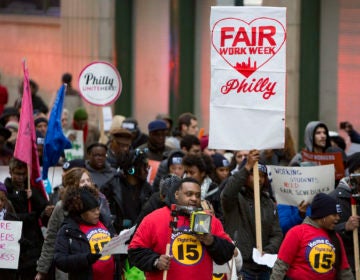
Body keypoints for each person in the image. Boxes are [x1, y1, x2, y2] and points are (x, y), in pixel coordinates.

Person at [128, 177, 235, 280]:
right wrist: (155, 261)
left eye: (198, 195)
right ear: (177, 195)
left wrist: (211, 241)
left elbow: (228, 253)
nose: (194, 199)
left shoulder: (209, 220)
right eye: (189, 194)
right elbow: (134, 252)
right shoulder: (153, 219)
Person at [35, 167, 114, 280]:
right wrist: (42, 270)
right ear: (72, 185)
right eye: (82, 181)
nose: (87, 184)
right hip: (72, 268)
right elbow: (51, 239)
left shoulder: (100, 201)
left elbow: (108, 228)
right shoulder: (61, 207)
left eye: (88, 180)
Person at [221, 149, 283, 279]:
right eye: (253, 174)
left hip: (263, 269)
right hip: (241, 267)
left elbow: (276, 234)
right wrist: (247, 166)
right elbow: (227, 193)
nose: (258, 179)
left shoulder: (269, 203)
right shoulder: (235, 199)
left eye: (261, 175)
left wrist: (269, 251)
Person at [271, 193, 353, 279]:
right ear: (323, 215)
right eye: (334, 215)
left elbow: (344, 269)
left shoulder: (336, 237)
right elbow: (281, 265)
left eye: (338, 215)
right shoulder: (297, 232)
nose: (338, 218)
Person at [4, 157, 51, 280]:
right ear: (10, 172)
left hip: (33, 243)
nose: (20, 178)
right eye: (17, 174)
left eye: (24, 174)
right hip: (11, 243)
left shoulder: (33, 191)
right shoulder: (4, 192)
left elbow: (45, 213)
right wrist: (28, 217)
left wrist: (34, 197)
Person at [54, 186, 115, 280]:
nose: (97, 212)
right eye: (92, 211)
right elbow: (60, 261)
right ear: (81, 212)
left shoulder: (104, 222)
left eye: (98, 208)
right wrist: (86, 259)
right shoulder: (68, 230)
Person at [101, 148, 153, 233]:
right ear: (131, 169)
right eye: (144, 166)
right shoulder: (110, 188)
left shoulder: (148, 190)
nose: (147, 170)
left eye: (147, 166)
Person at [329, 152, 360, 275]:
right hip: (347, 265)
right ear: (353, 172)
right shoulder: (334, 198)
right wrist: (345, 227)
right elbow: (323, 232)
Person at [182, 153, 223, 220]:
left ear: (202, 173)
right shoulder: (180, 187)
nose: (188, 176)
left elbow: (221, 217)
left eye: (192, 173)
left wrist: (212, 217)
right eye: (186, 172)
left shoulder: (213, 191)